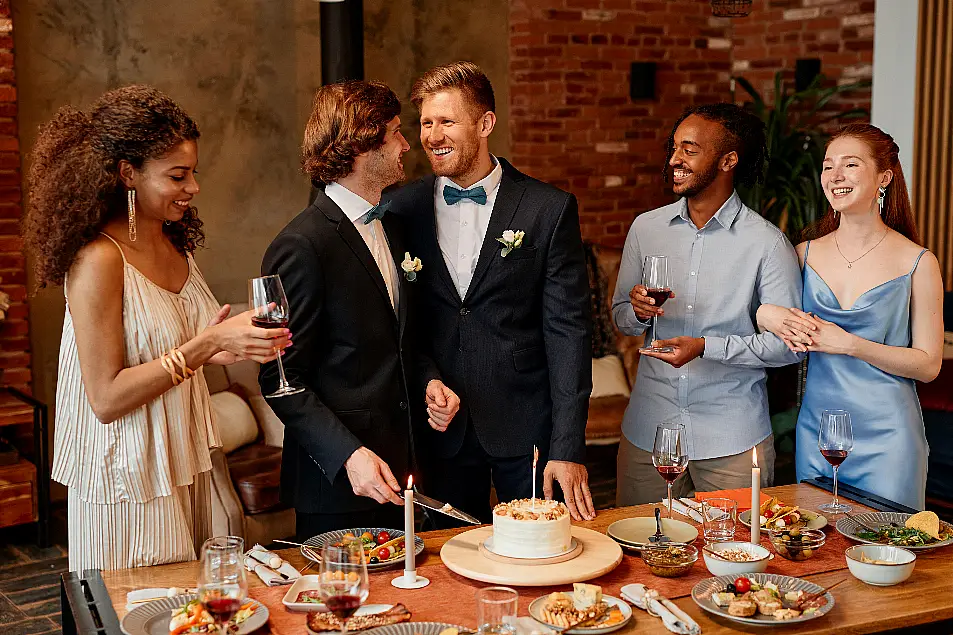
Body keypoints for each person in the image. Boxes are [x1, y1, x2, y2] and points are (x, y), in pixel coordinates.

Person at [24, 85, 288, 571]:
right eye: (177, 176)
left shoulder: (174, 246)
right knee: (138, 613)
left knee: (194, 612)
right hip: (129, 478)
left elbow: (192, 341)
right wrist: (206, 343)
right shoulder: (99, 259)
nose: (193, 187)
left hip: (183, 460)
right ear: (128, 174)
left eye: (193, 173)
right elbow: (104, 399)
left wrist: (230, 344)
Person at [387, 61, 595, 523]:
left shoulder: (548, 209)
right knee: (449, 566)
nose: (432, 135)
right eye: (425, 122)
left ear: (485, 124)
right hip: (442, 432)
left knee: (540, 558)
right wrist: (425, 382)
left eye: (447, 121)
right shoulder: (401, 210)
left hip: (530, 429)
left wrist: (567, 444)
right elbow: (403, 325)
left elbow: (568, 334)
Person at [259, 80, 460, 538]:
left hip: (406, 471)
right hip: (340, 488)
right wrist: (349, 455)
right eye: (394, 133)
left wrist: (429, 379)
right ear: (360, 145)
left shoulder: (391, 225)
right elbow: (280, 379)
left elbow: (400, 338)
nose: (407, 144)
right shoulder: (301, 246)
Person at [611, 103, 803, 506]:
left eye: (690, 149)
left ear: (728, 160)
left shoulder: (767, 244)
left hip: (732, 438)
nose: (675, 159)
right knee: (638, 552)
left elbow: (787, 347)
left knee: (734, 557)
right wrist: (637, 311)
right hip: (649, 433)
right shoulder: (646, 229)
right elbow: (623, 320)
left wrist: (706, 347)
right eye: (675, 147)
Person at [755, 124, 944, 510]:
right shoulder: (802, 254)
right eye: (828, 166)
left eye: (850, 164)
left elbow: (928, 366)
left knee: (885, 556)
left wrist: (851, 345)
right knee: (817, 552)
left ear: (884, 178)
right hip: (819, 432)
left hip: (890, 437)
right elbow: (758, 316)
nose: (835, 176)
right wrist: (766, 313)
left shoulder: (918, 263)